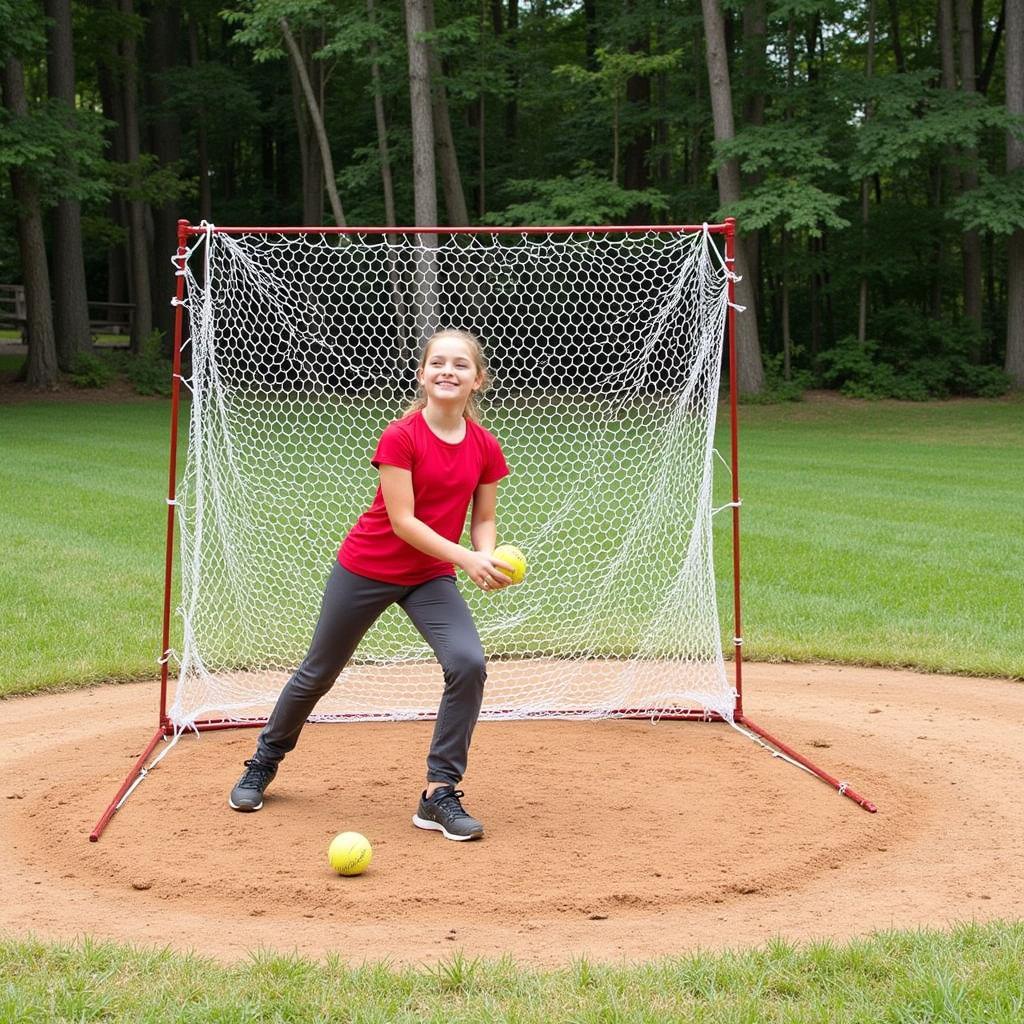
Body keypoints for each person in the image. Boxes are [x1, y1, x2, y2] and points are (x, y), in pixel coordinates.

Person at [227, 328, 513, 841]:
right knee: (319, 671)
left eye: (460, 365)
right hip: (367, 567)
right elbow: (403, 522)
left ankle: (438, 793)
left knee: (468, 663)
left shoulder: (484, 446)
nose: (448, 371)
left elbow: (484, 517)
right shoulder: (401, 436)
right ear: (423, 374)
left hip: (429, 575)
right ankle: (263, 763)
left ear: (477, 381)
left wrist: (485, 555)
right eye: (438, 363)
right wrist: (467, 558)